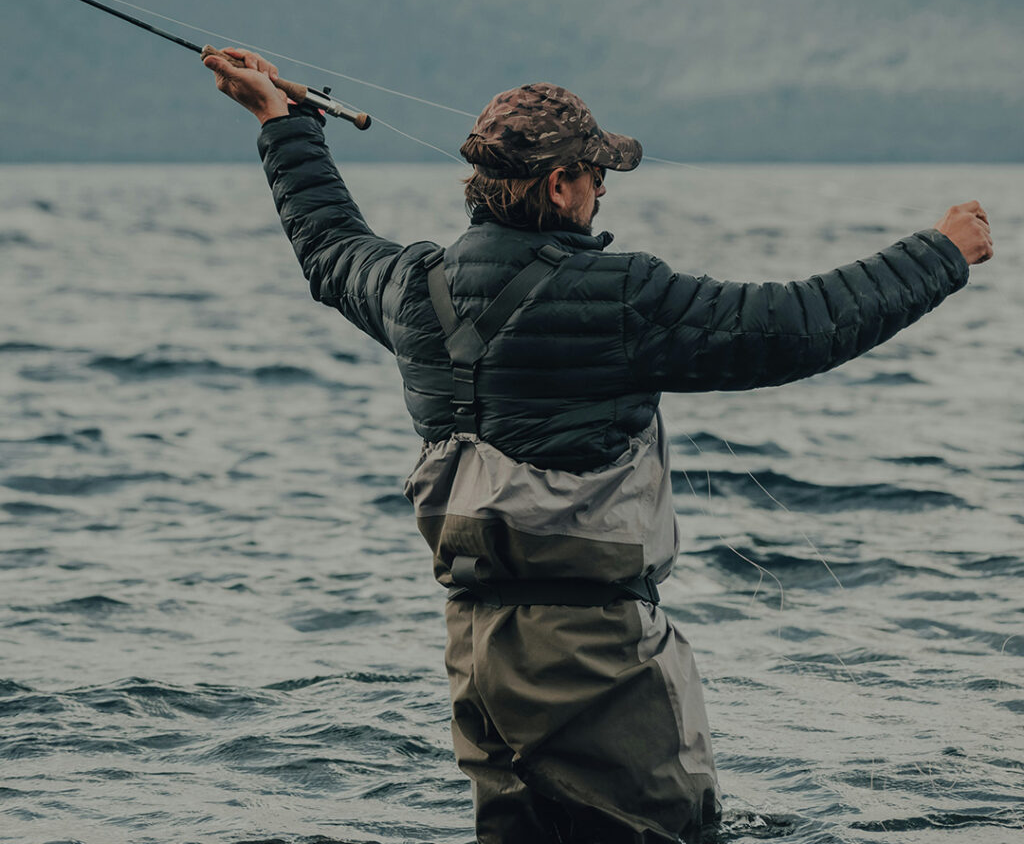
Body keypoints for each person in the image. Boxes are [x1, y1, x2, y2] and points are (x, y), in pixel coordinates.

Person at [204, 47, 993, 844]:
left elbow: (330, 246)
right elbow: (794, 327)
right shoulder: (621, 295)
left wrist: (286, 124)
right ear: (559, 184)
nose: (603, 188)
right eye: (595, 174)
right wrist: (939, 254)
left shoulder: (415, 289)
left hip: (477, 654)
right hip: (597, 661)